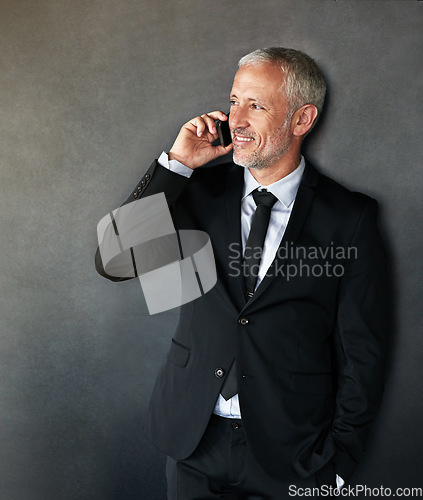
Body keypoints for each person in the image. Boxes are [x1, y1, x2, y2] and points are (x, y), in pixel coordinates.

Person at [95, 47, 389, 499]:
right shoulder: (196, 192)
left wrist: (341, 462)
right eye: (234, 101)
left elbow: (363, 350)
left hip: (293, 453)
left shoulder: (349, 217)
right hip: (192, 439)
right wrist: (175, 165)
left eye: (256, 105)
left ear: (302, 119)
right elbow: (115, 261)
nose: (237, 119)